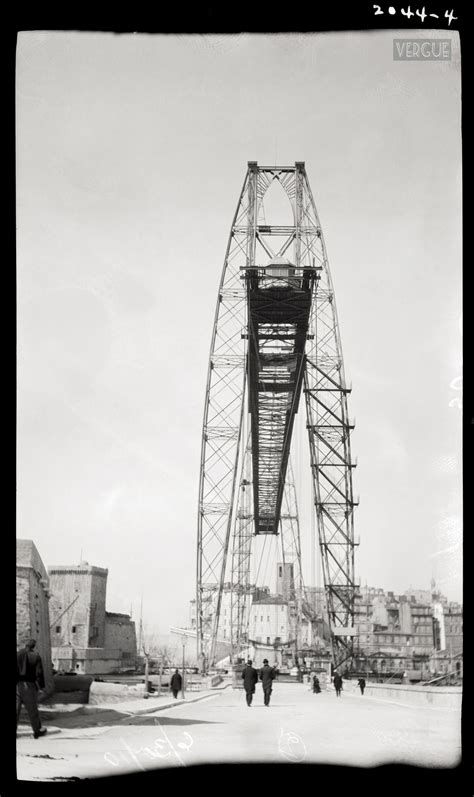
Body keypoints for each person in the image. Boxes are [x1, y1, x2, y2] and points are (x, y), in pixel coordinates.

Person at [17, 639, 47, 739]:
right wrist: (41, 687)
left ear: (25, 645)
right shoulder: (36, 657)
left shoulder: (18, 654)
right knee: (32, 710)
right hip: (29, 686)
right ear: (33, 646)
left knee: (16, 710)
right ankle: (37, 731)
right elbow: (39, 673)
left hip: (17, 685)